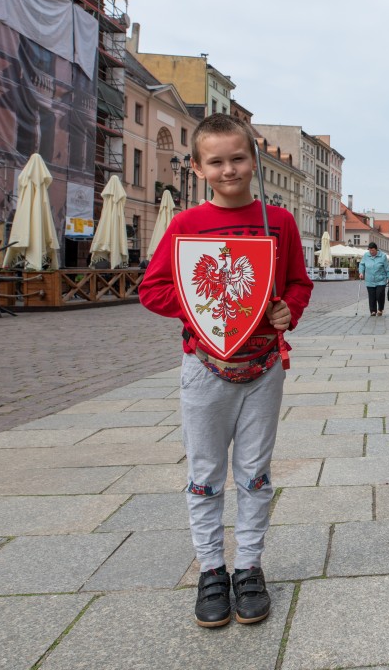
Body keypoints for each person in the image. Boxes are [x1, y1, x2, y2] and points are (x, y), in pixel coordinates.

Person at [140, 113, 313, 629]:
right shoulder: (184, 226)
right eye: (216, 161)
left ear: (253, 161)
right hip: (205, 367)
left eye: (238, 158)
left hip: (263, 367)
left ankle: (248, 566)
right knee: (205, 473)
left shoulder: (276, 223)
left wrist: (288, 309)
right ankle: (211, 568)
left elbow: (298, 283)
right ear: (197, 167)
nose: (229, 169)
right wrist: (202, 309)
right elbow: (153, 289)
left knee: (255, 474)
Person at [358, 242, 389, 316]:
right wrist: (361, 272)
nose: (371, 252)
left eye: (372, 250)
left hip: (381, 280)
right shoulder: (366, 255)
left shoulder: (383, 256)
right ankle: (373, 311)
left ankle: (380, 309)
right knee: (372, 296)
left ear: (376, 249)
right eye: (370, 250)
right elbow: (362, 264)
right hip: (369, 280)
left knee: (379, 295)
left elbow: (387, 268)